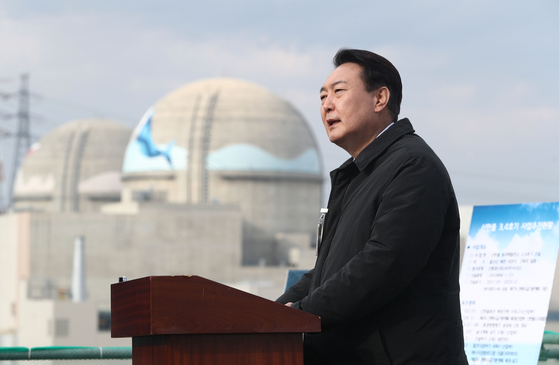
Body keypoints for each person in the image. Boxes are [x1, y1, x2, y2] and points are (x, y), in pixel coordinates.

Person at [276, 49, 468, 365]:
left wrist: (300, 315)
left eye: (338, 92)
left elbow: (382, 263)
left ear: (380, 99)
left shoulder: (413, 167)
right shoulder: (357, 175)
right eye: (322, 96)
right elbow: (326, 273)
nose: (326, 105)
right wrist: (271, 314)